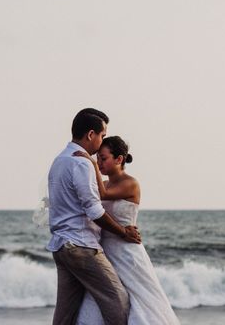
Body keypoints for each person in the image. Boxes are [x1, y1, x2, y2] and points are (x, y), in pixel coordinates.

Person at [47, 108, 141, 325]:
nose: (102, 141)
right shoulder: (81, 162)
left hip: (61, 246)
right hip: (81, 247)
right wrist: (123, 232)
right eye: (102, 135)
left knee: (65, 315)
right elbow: (95, 210)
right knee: (118, 301)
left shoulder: (59, 160)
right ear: (91, 134)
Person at [74, 136, 180, 325]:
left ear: (119, 159)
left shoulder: (130, 183)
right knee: (102, 301)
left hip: (126, 251)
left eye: (103, 158)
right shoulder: (104, 184)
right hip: (104, 251)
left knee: (141, 300)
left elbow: (104, 195)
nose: (99, 163)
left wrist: (89, 163)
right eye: (97, 158)